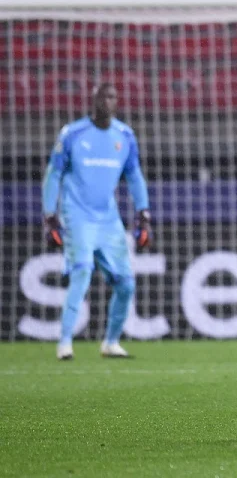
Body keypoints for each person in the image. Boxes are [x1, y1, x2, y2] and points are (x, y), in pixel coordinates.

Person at [43, 82, 151, 361]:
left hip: (108, 219)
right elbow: (53, 174)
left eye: (113, 96)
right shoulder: (73, 133)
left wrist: (143, 213)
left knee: (126, 283)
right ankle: (65, 343)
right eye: (104, 96)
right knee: (82, 271)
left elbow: (135, 175)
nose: (109, 101)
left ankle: (111, 342)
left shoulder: (124, 135)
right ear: (94, 100)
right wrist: (50, 216)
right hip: (77, 215)